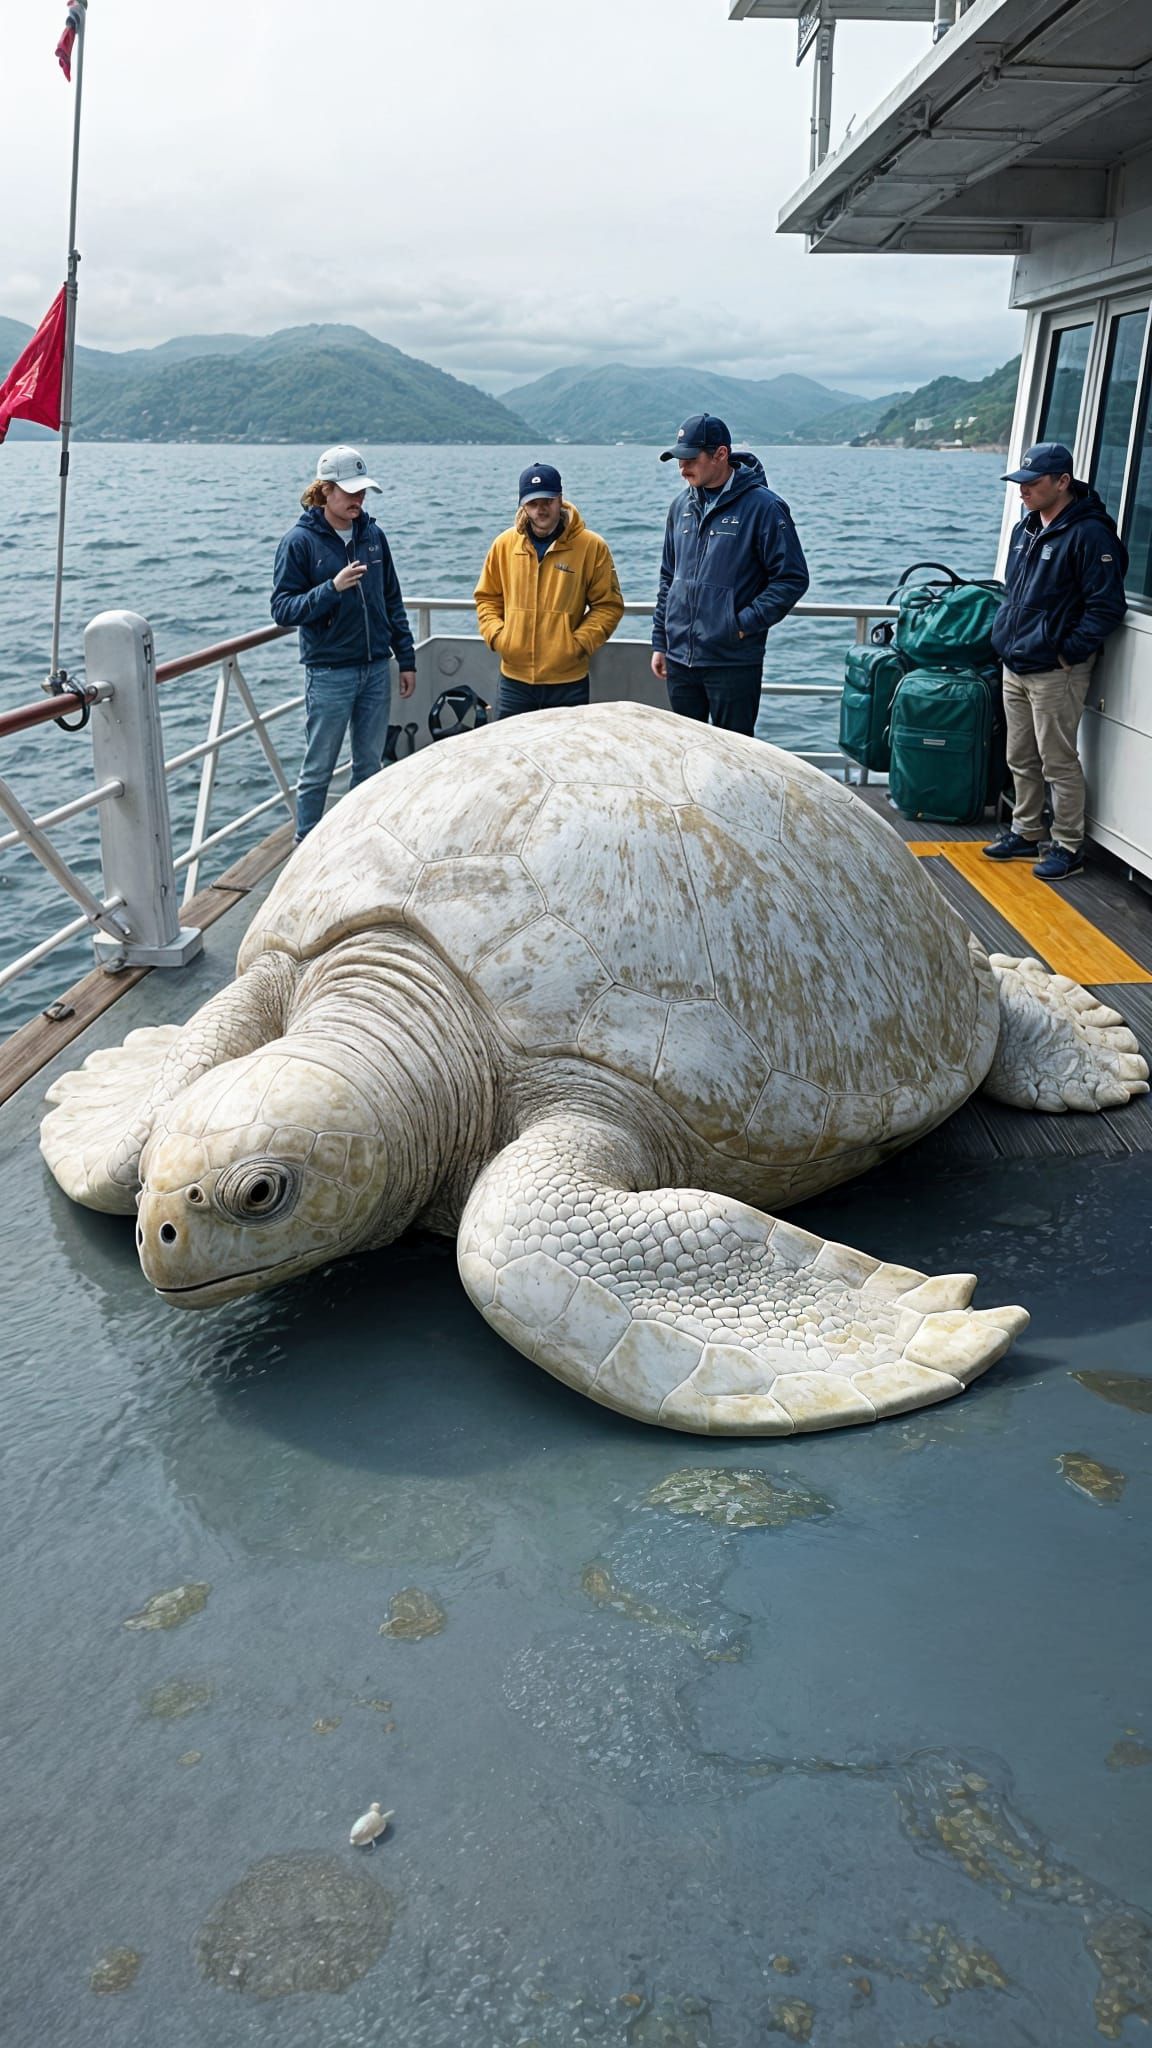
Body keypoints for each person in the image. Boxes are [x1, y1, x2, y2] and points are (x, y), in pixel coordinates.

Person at [985, 440, 1128, 881]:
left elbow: (1107, 606)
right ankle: (1026, 830)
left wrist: (1066, 652)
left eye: (1033, 482)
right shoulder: (1025, 529)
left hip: (1055, 669)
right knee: (1019, 755)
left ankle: (1068, 845)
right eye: (1020, 482)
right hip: (1016, 661)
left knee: (1057, 761)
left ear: (1063, 481)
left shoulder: (1090, 534)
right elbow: (1014, 593)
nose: (1023, 490)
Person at [271, 444, 417, 843]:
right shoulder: (299, 542)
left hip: (375, 667)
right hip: (330, 672)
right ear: (326, 490)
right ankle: (305, 845)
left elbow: (392, 600)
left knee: (369, 764)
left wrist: (406, 659)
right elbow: (282, 609)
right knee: (318, 767)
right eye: (351, 491)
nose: (359, 499)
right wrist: (331, 589)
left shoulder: (373, 536)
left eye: (362, 490)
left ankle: (358, 841)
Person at [651, 413, 810, 735]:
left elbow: (791, 578)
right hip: (680, 659)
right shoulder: (680, 506)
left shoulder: (764, 507)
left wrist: (740, 625)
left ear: (721, 454)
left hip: (732, 661)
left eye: (691, 459)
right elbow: (668, 576)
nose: (682, 468)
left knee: (736, 752)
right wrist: (661, 641)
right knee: (685, 747)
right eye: (679, 460)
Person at [474, 462, 624, 718]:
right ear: (522, 505)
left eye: (547, 501)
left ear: (560, 500)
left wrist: (577, 644)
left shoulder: (591, 546)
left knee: (568, 744)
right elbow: (487, 598)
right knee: (512, 742)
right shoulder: (504, 545)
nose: (540, 509)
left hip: (568, 681)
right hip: (514, 680)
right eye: (532, 503)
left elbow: (608, 606)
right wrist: (499, 636)